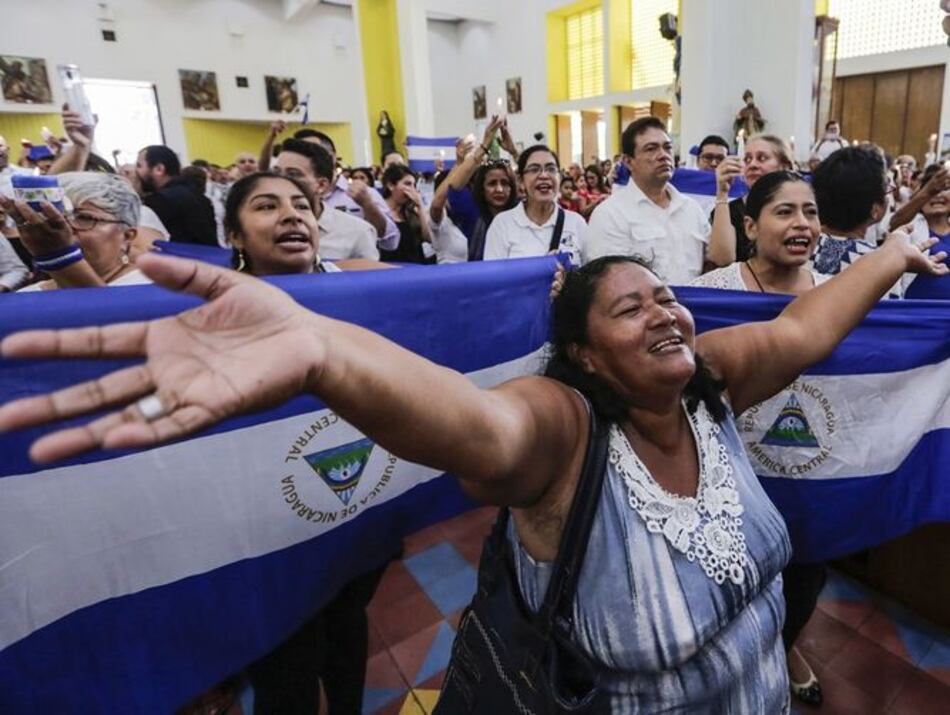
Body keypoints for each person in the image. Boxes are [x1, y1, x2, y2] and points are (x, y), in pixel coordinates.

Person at [1, 226, 943, 714]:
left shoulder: (709, 386)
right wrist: (322, 350)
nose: (665, 313)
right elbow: (472, 423)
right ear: (583, 354)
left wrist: (894, 254)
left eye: (666, 298)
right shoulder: (562, 430)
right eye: (630, 309)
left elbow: (804, 327)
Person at [691, 172, 831, 705]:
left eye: (810, 212)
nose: (802, 224)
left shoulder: (835, 294)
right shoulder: (712, 293)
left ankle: (784, 649)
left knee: (804, 581)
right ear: (750, 226)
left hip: (811, 477)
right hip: (732, 476)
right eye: (785, 211)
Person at [586, 116, 725, 281]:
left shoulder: (691, 209)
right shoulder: (610, 214)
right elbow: (611, 281)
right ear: (628, 161)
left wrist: (723, 194)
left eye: (667, 148)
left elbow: (719, 260)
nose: (663, 155)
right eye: (651, 149)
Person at [259, 124, 399, 252]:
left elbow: (390, 242)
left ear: (332, 156)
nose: (284, 179)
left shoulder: (363, 197)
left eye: (293, 174)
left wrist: (367, 205)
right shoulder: (266, 221)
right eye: (277, 172)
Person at [1, 172, 150, 290]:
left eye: (84, 218)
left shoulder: (151, 286)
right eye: (59, 216)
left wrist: (59, 257)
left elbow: (106, 314)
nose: (65, 227)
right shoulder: (27, 296)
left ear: (126, 236)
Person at [811, 146, 909, 298]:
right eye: (887, 189)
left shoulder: (797, 249)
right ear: (875, 210)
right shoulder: (881, 265)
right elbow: (890, 311)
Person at [430, 116, 519, 261]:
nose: (499, 189)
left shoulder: (520, 211)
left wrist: (514, 152)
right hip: (481, 274)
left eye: (505, 183)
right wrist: (483, 147)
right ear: (482, 188)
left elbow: (533, 182)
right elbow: (454, 188)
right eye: (492, 184)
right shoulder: (473, 213)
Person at [274, 138, 379, 261]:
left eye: (293, 174)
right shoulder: (261, 226)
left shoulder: (358, 232)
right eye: (276, 172)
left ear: (321, 185)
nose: (281, 180)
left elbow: (370, 273)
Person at [484, 144, 587, 266]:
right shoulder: (502, 224)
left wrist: (569, 275)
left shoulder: (576, 223)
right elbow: (493, 274)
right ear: (521, 181)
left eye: (551, 169)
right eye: (534, 169)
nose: (544, 175)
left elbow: (591, 273)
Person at [710, 134, 794, 264]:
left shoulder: (799, 208)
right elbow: (722, 260)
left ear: (784, 166)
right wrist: (722, 192)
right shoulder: (729, 211)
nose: (752, 164)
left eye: (762, 158)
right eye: (747, 159)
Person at [136, 145, 217, 247]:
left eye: (139, 166)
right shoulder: (199, 196)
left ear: (159, 169)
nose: (136, 172)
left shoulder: (160, 201)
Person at [380, 165, 434, 264]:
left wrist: (420, 206)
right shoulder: (379, 209)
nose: (412, 189)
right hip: (389, 266)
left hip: (415, 266)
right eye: (407, 184)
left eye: (414, 185)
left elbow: (429, 237)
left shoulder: (412, 211)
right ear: (391, 185)